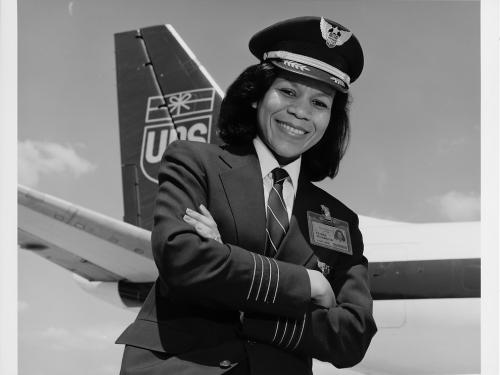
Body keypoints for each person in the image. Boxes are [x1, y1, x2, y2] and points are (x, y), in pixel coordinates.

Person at [117, 16, 377, 375]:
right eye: (287, 92)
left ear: (330, 120)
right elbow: (183, 258)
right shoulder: (195, 162)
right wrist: (308, 285)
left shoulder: (339, 219)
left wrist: (229, 272)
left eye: (320, 103)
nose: (301, 112)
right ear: (257, 96)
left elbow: (352, 338)